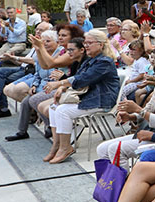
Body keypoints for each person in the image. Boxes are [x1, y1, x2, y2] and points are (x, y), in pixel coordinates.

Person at [43, 29, 120, 164]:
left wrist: (59, 83)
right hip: (90, 97)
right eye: (85, 42)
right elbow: (77, 77)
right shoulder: (91, 60)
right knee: (54, 106)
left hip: (102, 100)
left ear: (101, 44)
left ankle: (65, 147)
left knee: (62, 111)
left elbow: (83, 79)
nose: (86, 45)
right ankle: (57, 145)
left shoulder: (104, 62)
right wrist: (62, 87)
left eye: (90, 42)